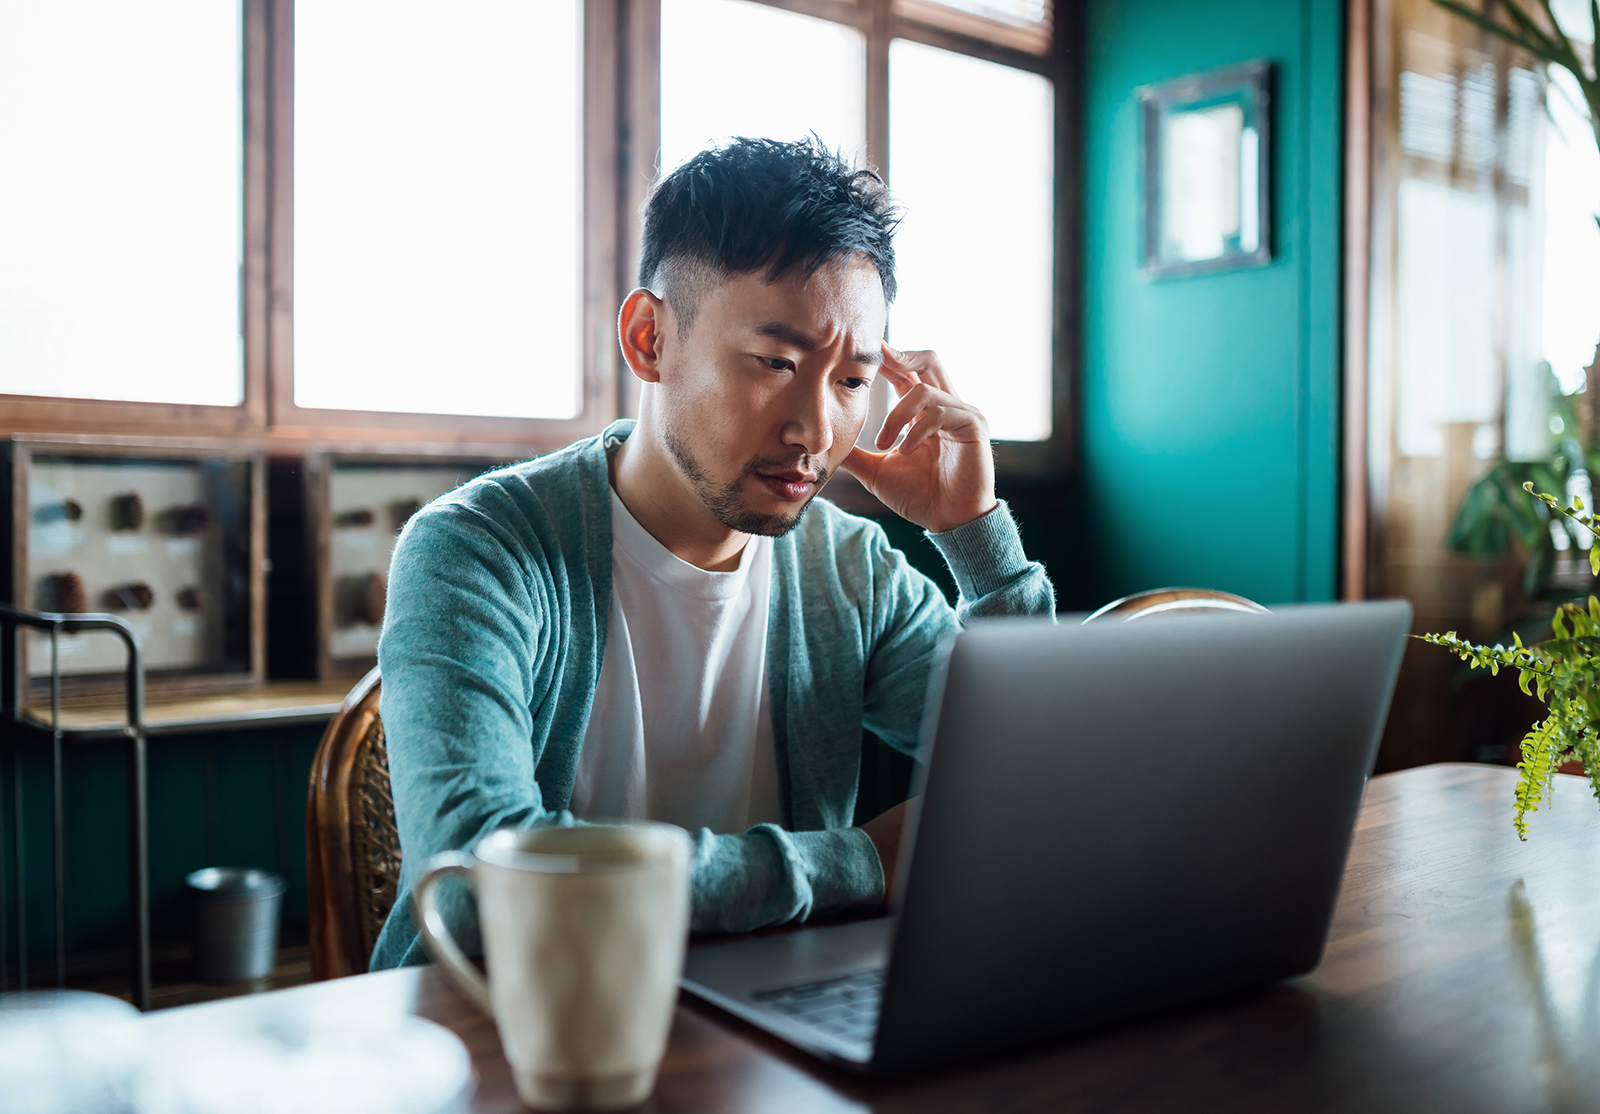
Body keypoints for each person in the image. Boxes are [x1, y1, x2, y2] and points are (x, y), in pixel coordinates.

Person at [369, 137, 1055, 968]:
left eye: (851, 381)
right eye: (775, 362)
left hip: (772, 1023)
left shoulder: (852, 571)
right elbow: (479, 888)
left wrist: (974, 535)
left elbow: (1042, 785)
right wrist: (863, 861)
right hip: (503, 1021)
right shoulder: (477, 550)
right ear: (649, 338)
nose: (815, 431)